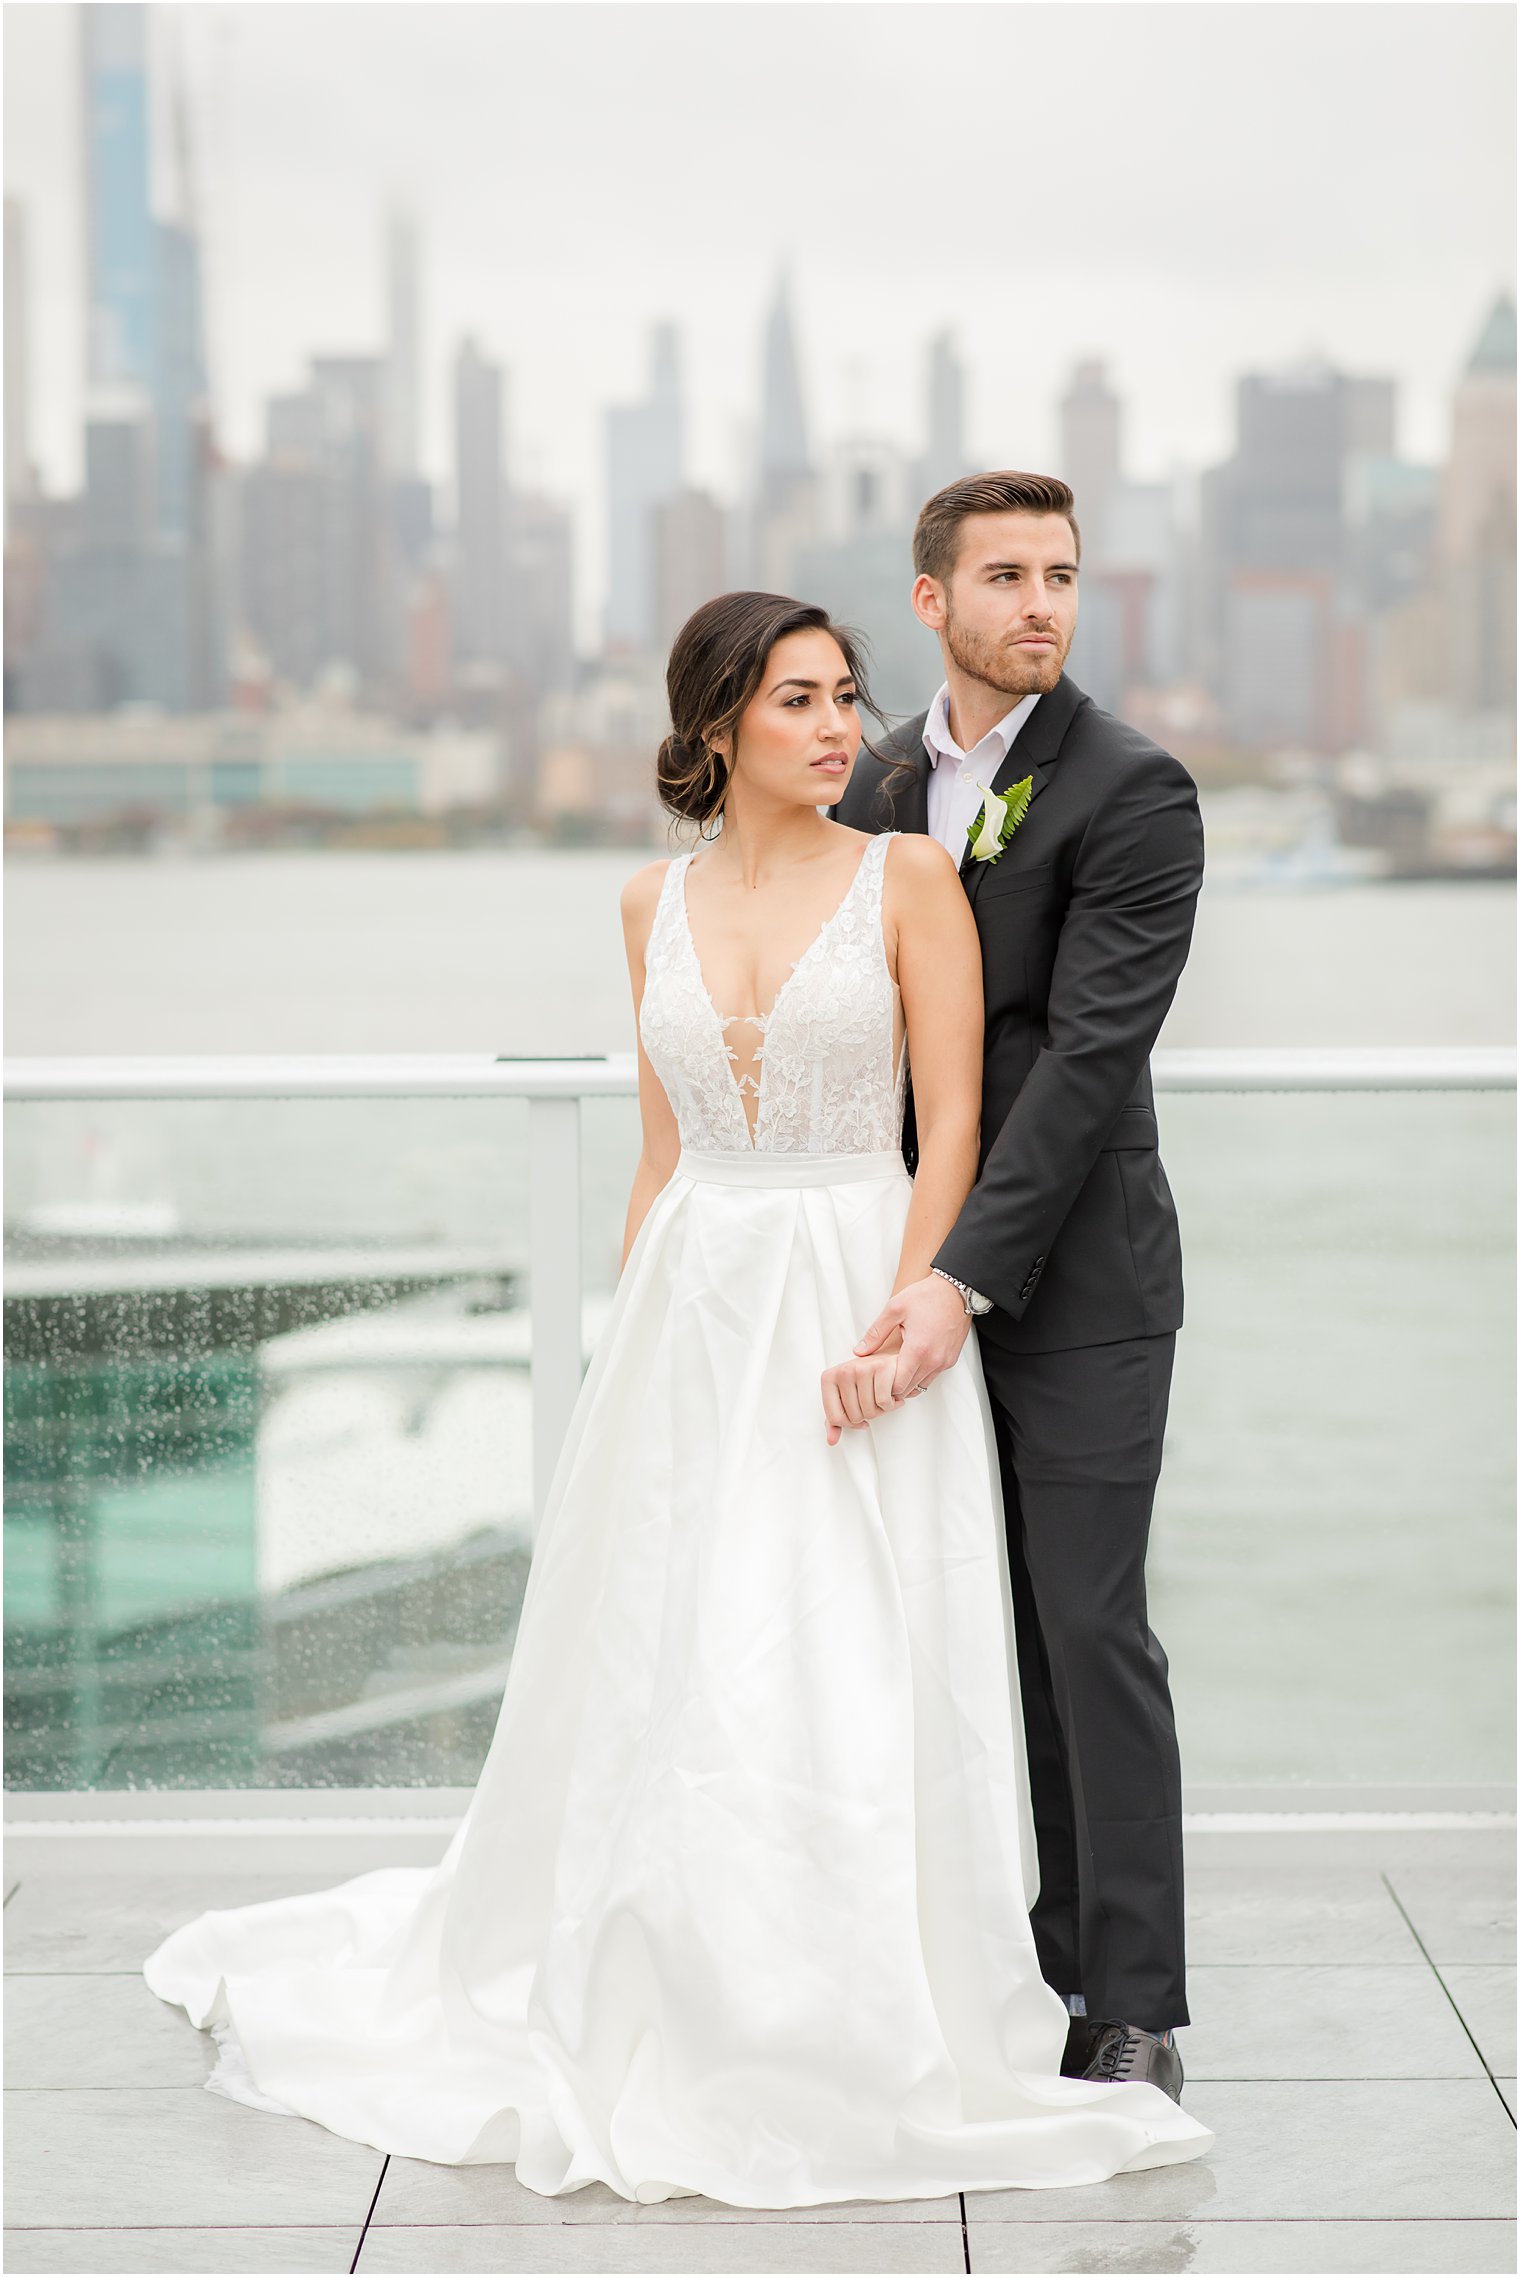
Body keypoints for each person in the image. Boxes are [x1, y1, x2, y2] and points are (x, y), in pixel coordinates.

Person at [143, 589, 1212, 2204]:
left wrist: (916, 1313)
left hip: (861, 1282)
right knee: (676, 1650)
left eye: (847, 694)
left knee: (850, 1645)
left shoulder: (910, 877)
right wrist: (625, 1353)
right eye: (796, 700)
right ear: (716, 724)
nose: (838, 725)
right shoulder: (647, 903)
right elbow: (659, 1153)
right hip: (692, 1308)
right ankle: (675, 1970)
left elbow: (953, 1127)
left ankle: (863, 2000)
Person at [831, 470, 1204, 2097]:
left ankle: (1124, 1998)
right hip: (892, 1268)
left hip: (1077, 1284)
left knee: (1086, 1628)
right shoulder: (876, 777)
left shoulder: (1135, 789)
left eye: (1061, 574)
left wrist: (961, 1280)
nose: (1042, 602)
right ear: (933, 601)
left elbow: (1077, 1064)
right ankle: (968, 1958)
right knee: (925, 1621)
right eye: (1006, 576)